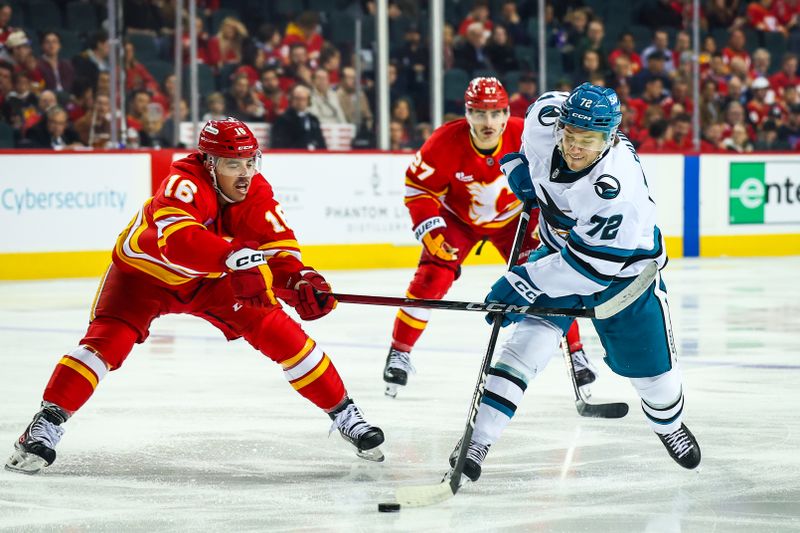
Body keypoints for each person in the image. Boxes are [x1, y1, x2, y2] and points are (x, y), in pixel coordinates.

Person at [5, 118, 384, 475]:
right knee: (108, 342)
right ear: (209, 162)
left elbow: (279, 246)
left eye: (250, 161)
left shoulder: (256, 190)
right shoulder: (182, 181)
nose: (246, 173)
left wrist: (301, 280)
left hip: (213, 280)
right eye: (234, 164)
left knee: (282, 333)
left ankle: (345, 414)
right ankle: (45, 424)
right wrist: (232, 257)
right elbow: (180, 243)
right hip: (144, 275)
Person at [447, 83, 701, 485]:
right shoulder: (545, 118)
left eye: (589, 140)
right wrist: (522, 169)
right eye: (570, 135)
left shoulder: (618, 189)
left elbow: (591, 269)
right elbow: (524, 136)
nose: (576, 147)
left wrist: (523, 281)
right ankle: (477, 440)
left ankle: (669, 424)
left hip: (623, 275)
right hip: (556, 251)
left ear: (610, 139)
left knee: (654, 377)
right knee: (524, 347)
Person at [382, 77, 596, 398]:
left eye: (497, 113)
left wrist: (550, 216)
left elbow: (558, 171)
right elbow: (419, 188)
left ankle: (575, 351)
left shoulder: (527, 134)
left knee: (551, 277)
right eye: (480, 113)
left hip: (516, 222)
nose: (489, 122)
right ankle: (399, 351)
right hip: (459, 221)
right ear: (466, 113)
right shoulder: (443, 142)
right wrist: (430, 227)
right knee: (431, 277)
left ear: (508, 112)